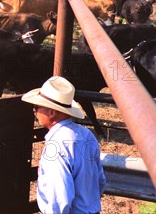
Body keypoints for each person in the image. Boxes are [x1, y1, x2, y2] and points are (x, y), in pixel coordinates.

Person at [22, 76, 106, 214]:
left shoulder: (55, 146)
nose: (35, 111)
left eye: (37, 107)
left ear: (51, 112)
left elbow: (58, 200)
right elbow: (100, 180)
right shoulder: (86, 135)